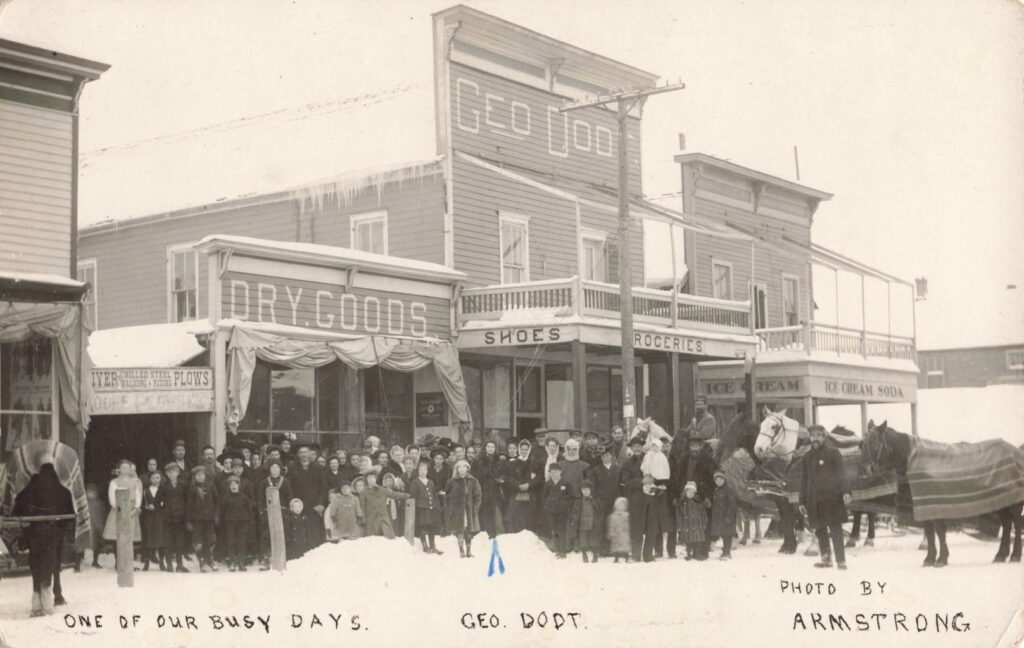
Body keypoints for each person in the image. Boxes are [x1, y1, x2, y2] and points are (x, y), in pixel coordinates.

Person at [800, 424, 851, 570]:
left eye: (818, 435)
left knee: (836, 530)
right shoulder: (807, 457)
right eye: (812, 436)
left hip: (832, 499)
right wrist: (801, 501)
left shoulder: (833, 453)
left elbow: (842, 474)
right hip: (814, 501)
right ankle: (826, 559)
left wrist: (846, 492)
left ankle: (841, 561)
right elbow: (803, 480)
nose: (815, 439)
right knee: (820, 530)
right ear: (809, 438)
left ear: (823, 437)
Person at [102, 460, 142, 564]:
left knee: (130, 538)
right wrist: (120, 509)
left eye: (127, 468)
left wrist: (136, 507)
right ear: (119, 469)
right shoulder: (114, 482)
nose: (125, 469)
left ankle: (128, 562)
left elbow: (138, 495)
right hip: (118, 512)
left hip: (132, 512)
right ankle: (118, 562)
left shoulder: (135, 481)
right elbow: (112, 498)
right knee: (118, 538)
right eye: (123, 467)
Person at [255, 459, 292, 570]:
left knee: (282, 535)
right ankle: (267, 558)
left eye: (277, 468)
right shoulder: (264, 482)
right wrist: (261, 510)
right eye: (272, 468)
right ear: (269, 469)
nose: (274, 470)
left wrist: (289, 511)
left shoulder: (285, 482)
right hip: (268, 513)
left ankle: (282, 558)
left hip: (282, 513)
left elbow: (289, 497)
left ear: (280, 469)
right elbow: (260, 498)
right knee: (267, 536)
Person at [289, 444, 326, 547]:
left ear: (310, 453)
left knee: (314, 531)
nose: (304, 455)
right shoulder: (292, 468)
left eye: (306, 452)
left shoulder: (318, 468)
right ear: (297, 455)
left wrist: (320, 503)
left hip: (314, 506)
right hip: (298, 506)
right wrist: (293, 504)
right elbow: (289, 488)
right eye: (301, 452)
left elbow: (323, 488)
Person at [444, 459, 482, 558]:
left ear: (467, 468)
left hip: (469, 510)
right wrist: (450, 509)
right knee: (459, 530)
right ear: (456, 469)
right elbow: (447, 496)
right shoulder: (452, 481)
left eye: (463, 467)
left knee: (468, 530)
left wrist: (475, 509)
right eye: (459, 467)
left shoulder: (473, 481)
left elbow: (478, 496)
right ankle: (461, 550)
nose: (461, 470)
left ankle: (468, 551)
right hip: (457, 511)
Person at [618, 436, 648, 562]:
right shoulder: (627, 464)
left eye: (639, 446)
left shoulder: (649, 459)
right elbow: (625, 480)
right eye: (634, 446)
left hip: (650, 497)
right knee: (636, 526)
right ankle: (636, 554)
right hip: (635, 498)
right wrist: (641, 481)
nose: (637, 448)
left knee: (650, 526)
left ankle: (649, 554)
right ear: (631, 448)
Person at [360, 471, 410, 539]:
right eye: (369, 478)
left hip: (383, 516)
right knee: (371, 539)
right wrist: (363, 518)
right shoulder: (363, 492)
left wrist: (407, 495)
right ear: (366, 480)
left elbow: (394, 495)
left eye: (373, 478)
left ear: (376, 479)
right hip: (371, 518)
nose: (371, 480)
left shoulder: (381, 489)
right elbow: (362, 507)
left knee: (390, 538)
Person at [186, 466, 218, 572]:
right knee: (198, 541)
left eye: (202, 475)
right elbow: (189, 506)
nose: (200, 477)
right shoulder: (191, 489)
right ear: (194, 477)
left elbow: (217, 501)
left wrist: (217, 515)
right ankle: (201, 561)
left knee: (211, 539)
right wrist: (188, 521)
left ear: (205, 476)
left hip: (209, 518)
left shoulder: (211, 486)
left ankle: (210, 559)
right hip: (197, 519)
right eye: (198, 475)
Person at [472, 439, 505, 538]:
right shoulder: (478, 461)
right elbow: (474, 476)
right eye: (488, 447)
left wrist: (501, 479)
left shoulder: (498, 461)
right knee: (482, 512)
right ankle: (482, 534)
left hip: (494, 491)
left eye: (493, 447)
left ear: (495, 449)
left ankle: (492, 534)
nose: (491, 449)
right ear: (485, 448)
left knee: (493, 512)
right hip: (482, 489)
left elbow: (503, 474)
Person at [219, 475, 253, 571]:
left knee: (241, 542)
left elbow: (249, 508)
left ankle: (241, 562)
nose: (233, 486)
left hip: (242, 523)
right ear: (229, 486)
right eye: (231, 484)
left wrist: (247, 519)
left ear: (239, 485)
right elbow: (223, 510)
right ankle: (232, 562)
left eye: (235, 484)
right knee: (231, 542)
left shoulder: (244, 497)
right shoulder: (226, 498)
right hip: (230, 523)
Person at [409, 460, 443, 554]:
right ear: (418, 471)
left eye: (425, 470)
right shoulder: (415, 482)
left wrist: (437, 507)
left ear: (427, 471)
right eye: (421, 470)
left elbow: (434, 495)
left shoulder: (431, 482)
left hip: (431, 508)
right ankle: (425, 546)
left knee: (431, 527)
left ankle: (433, 546)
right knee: (423, 527)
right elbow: (413, 496)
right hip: (421, 509)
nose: (423, 472)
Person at [161, 463, 189, 572]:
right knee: (168, 541)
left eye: (175, 472)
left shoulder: (183, 485)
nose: (173, 474)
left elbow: (187, 500)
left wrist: (185, 513)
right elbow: (157, 501)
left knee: (179, 541)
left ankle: (179, 564)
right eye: (170, 472)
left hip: (180, 517)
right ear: (167, 474)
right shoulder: (164, 487)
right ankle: (168, 563)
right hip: (168, 518)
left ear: (178, 473)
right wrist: (163, 511)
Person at [543, 463, 574, 558]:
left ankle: (563, 551)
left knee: (562, 530)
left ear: (560, 472)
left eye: (556, 472)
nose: (554, 474)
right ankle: (557, 550)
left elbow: (571, 497)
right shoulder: (548, 484)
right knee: (554, 530)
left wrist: (566, 505)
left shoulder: (566, 483)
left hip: (562, 511)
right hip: (551, 511)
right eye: (552, 472)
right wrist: (547, 505)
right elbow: (544, 496)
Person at [504, 439, 535, 533]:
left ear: (529, 450)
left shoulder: (533, 462)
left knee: (524, 516)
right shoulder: (513, 462)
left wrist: (528, 484)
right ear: (519, 450)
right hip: (516, 492)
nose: (524, 451)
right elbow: (509, 476)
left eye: (526, 449)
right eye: (522, 449)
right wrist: (518, 485)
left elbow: (536, 477)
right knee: (511, 515)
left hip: (529, 493)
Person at [140, 470, 168, 571]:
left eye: (158, 478)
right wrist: (147, 507)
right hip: (148, 517)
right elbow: (141, 504)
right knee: (148, 538)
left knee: (160, 539)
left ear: (160, 479)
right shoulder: (145, 491)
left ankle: (161, 562)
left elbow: (166, 504)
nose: (155, 480)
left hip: (159, 517)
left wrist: (158, 507)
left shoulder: (164, 490)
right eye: (153, 478)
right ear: (150, 479)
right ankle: (146, 562)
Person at [568, 480, 602, 563]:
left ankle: (595, 555)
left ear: (591, 490)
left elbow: (600, 512)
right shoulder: (578, 501)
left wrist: (598, 521)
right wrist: (574, 521)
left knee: (594, 540)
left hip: (593, 523)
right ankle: (584, 555)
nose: (585, 492)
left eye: (587, 489)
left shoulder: (596, 501)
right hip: (582, 523)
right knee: (583, 540)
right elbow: (574, 513)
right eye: (583, 490)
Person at [710, 470, 738, 560]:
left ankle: (727, 553)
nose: (718, 481)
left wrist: (729, 517)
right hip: (718, 518)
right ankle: (724, 552)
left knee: (727, 536)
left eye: (720, 479)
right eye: (716, 480)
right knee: (723, 535)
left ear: (724, 480)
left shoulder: (729, 491)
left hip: (727, 517)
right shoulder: (715, 491)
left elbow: (732, 505)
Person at [678, 481, 709, 560]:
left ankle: (698, 554)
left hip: (697, 525)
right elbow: (679, 515)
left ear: (695, 493)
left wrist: (704, 523)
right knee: (688, 541)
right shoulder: (682, 503)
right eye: (688, 491)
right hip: (687, 525)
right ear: (685, 492)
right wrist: (680, 524)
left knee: (698, 541)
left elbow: (703, 514)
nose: (690, 493)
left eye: (692, 492)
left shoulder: (698, 503)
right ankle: (688, 554)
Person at [607, 497, 631, 563]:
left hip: (624, 533)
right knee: (616, 546)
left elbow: (629, 524)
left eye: (623, 505)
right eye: (619, 505)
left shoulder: (627, 515)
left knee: (625, 546)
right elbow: (611, 525)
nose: (621, 507)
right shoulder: (613, 516)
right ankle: (616, 558)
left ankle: (626, 557)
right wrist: (611, 532)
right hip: (616, 533)